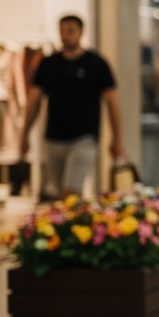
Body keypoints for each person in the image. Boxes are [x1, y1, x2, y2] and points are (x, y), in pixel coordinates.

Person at [20, 15, 125, 198]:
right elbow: (34, 101)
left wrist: (117, 138)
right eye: (62, 31)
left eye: (70, 31)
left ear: (81, 32)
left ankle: (77, 224)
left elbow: (112, 102)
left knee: (71, 192)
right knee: (62, 194)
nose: (66, 36)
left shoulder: (96, 63)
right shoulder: (48, 64)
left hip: (85, 138)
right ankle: (75, 224)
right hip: (54, 138)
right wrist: (24, 134)